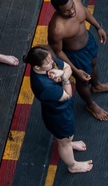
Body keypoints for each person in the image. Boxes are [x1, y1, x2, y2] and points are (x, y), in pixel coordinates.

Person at [48, 0, 108, 121]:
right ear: (58, 10)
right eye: (66, 11)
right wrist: (75, 70)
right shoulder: (57, 29)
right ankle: (90, 104)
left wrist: (98, 27)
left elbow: (85, 12)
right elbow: (58, 52)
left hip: (88, 42)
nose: (72, 11)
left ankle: (97, 86)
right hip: (75, 56)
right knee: (83, 80)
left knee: (93, 64)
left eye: (72, 7)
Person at [25, 45, 93, 173]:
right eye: (48, 62)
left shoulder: (46, 60)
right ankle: (72, 165)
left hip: (61, 109)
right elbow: (67, 95)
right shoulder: (44, 86)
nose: (52, 62)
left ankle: (68, 142)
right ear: (37, 67)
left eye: (51, 59)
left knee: (66, 136)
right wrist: (63, 76)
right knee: (64, 139)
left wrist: (62, 73)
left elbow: (67, 67)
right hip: (58, 115)